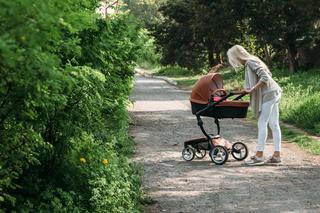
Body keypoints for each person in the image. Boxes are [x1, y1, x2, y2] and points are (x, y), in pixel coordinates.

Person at [227, 45, 282, 165]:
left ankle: (259, 155)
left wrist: (252, 89)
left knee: (262, 123)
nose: (234, 62)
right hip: (275, 92)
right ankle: (277, 155)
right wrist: (246, 89)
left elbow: (265, 77)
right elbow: (266, 75)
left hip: (269, 94)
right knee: (274, 124)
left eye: (233, 58)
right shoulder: (253, 60)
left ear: (237, 56)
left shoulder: (250, 62)